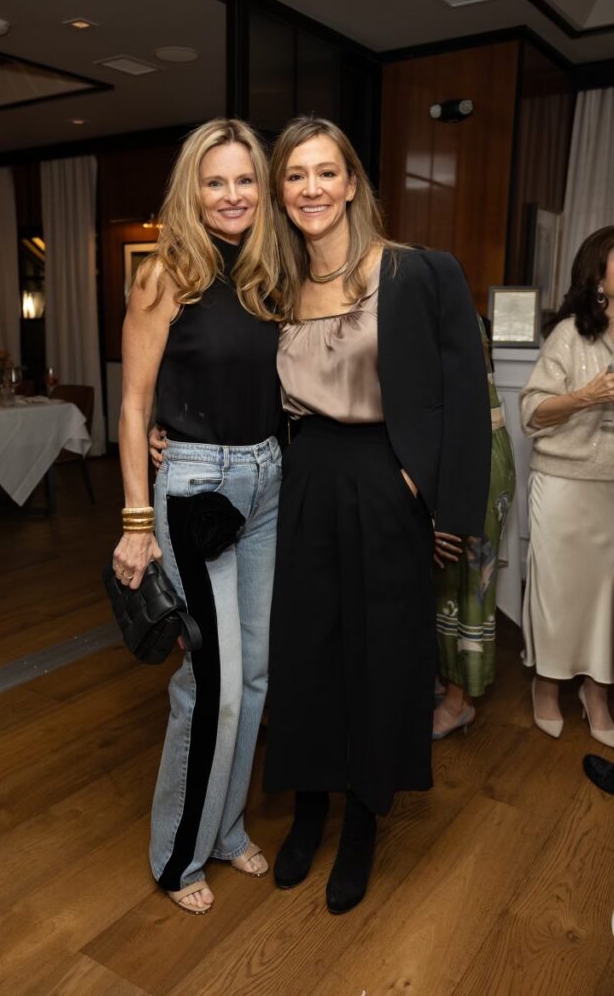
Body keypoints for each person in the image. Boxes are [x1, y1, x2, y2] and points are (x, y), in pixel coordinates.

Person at [262, 116, 490, 914]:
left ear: (352, 181)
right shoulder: (275, 287)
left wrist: (445, 508)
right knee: (305, 651)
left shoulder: (418, 272)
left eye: (326, 172)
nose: (312, 189)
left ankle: (363, 815)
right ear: (281, 192)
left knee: (381, 654)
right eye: (296, 176)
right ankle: (309, 807)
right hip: (302, 479)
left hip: (384, 481)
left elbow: (466, 399)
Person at [113, 118, 283, 914]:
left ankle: (224, 829)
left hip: (267, 481)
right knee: (210, 681)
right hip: (195, 487)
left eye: (244, 180)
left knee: (251, 676)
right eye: (215, 181)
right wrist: (135, 521)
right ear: (192, 188)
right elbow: (133, 406)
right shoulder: (162, 276)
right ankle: (177, 855)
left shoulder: (265, 275)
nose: (232, 195)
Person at [521, 225, 614, 745]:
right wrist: (586, 395)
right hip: (564, 484)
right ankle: (547, 685)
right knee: (559, 594)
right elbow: (532, 411)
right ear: (598, 275)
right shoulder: (569, 335)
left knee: (608, 598)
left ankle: (597, 692)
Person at [432, 314, 516, 739]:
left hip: (476, 460)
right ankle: (446, 682)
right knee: (444, 582)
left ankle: (458, 700)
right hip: (455, 457)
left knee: (469, 587)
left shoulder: (456, 320)